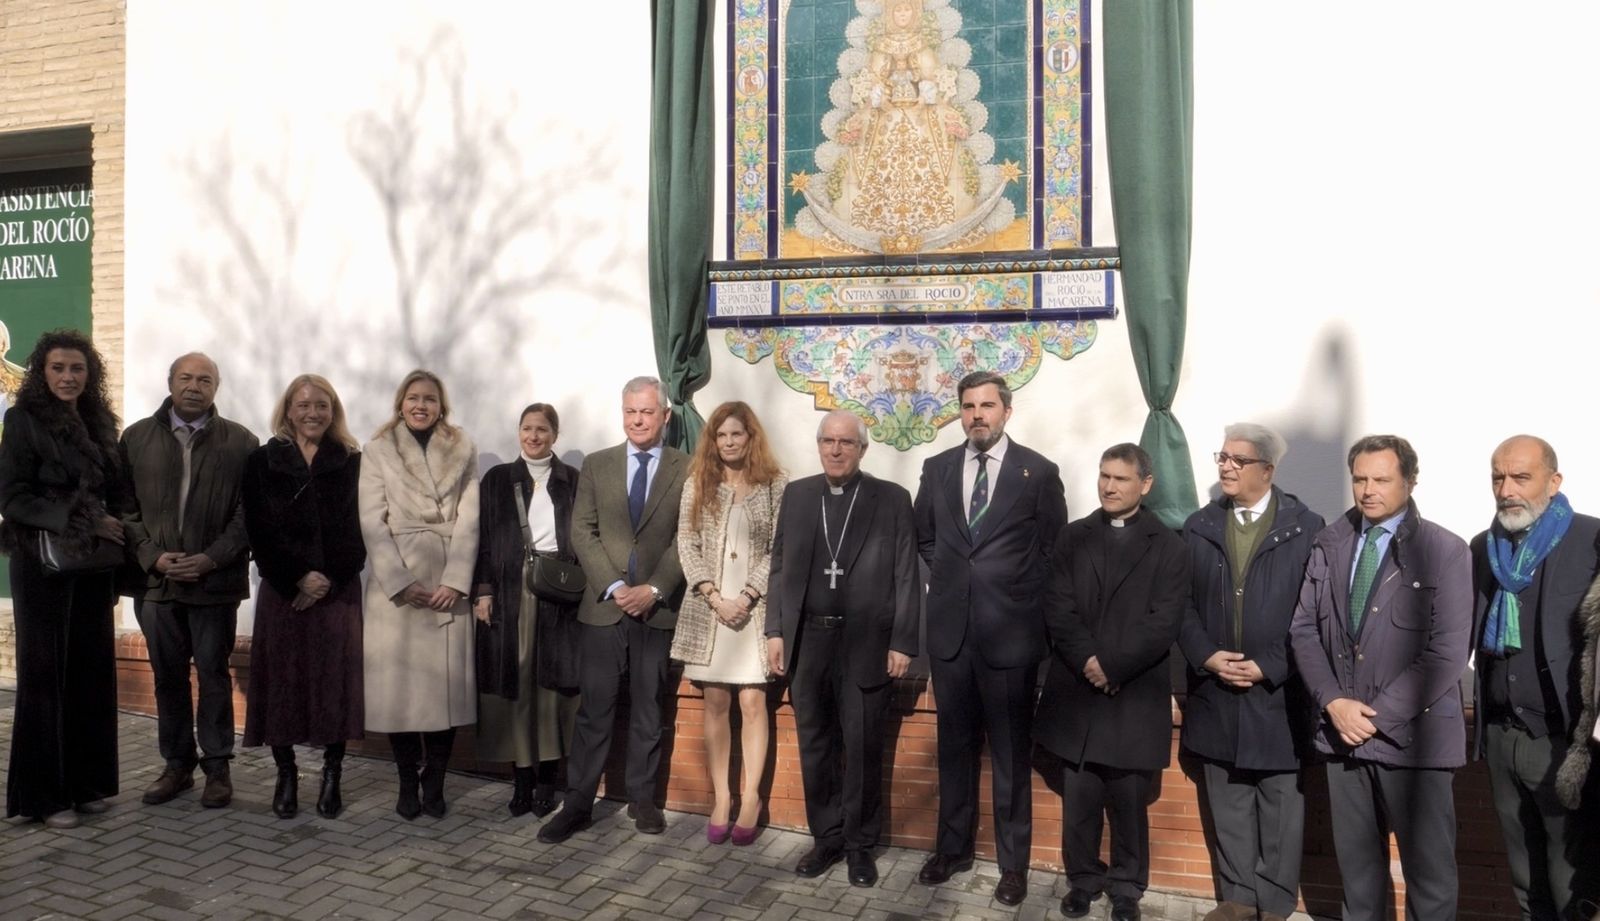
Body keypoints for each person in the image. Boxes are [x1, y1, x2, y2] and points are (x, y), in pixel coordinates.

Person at [1289, 434, 1473, 921]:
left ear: (1410, 481)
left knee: (1429, 879)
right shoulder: (1329, 543)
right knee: (1359, 876)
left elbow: (1449, 651)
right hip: (1342, 737)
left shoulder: (1445, 550)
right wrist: (1332, 702)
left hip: (1414, 741)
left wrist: (1376, 716)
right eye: (1360, 479)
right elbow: (1304, 630)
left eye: (1382, 479)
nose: (1368, 490)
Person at [913, 370, 1067, 906]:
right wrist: (959, 581)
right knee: (952, 751)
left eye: (987, 406)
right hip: (952, 638)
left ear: (1007, 411)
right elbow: (926, 537)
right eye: (968, 406)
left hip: (1011, 641)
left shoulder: (1038, 473)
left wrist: (1014, 596)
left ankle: (1012, 866)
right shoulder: (937, 468)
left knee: (1008, 759)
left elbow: (1053, 553)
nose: (977, 414)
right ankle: (950, 850)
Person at [765, 410, 919, 887]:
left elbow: (906, 573)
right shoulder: (798, 494)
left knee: (863, 746)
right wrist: (775, 631)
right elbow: (778, 565)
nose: (835, 449)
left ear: (862, 449)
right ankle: (826, 838)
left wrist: (902, 640)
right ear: (818, 445)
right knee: (815, 745)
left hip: (866, 643)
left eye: (846, 442)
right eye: (828, 441)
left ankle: (859, 846)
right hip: (808, 640)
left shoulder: (891, 498)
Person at [1036, 444, 1189, 921]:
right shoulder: (1073, 536)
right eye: (1104, 476)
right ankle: (1082, 879)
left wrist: (1114, 665)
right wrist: (1088, 660)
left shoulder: (1168, 545)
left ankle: (1126, 886)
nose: (1108, 486)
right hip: (1078, 690)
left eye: (1121, 479)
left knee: (1128, 800)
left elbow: (1164, 622)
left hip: (1132, 691)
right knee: (1078, 798)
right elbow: (1057, 605)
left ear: (1145, 484)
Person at [1177, 424, 1322, 921]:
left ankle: (1276, 904)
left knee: (1281, 806)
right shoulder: (1200, 525)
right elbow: (1182, 605)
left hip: (1278, 697)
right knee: (1229, 800)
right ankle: (1238, 899)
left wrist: (1271, 665)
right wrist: (1206, 656)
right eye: (1222, 457)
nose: (1226, 467)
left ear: (1268, 469)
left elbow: (1314, 611)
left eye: (1239, 460)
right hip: (1216, 692)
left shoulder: (1307, 527)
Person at [539, 376, 688, 844]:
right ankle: (579, 802)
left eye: (646, 412)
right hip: (604, 609)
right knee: (594, 712)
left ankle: (643, 800)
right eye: (630, 412)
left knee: (648, 709)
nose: (638, 420)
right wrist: (617, 585)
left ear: (665, 416)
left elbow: (690, 534)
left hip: (655, 611)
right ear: (622, 414)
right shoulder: (599, 465)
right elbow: (582, 530)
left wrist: (656, 588)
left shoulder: (688, 468)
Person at [120, 353, 258, 810]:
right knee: (167, 678)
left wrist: (210, 559)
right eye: (185, 378)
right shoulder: (137, 438)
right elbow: (124, 510)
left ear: (217, 387)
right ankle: (176, 765)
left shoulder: (241, 442)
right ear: (170, 382)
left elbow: (248, 516)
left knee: (214, 675)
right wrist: (152, 556)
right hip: (156, 585)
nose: (194, 386)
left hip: (212, 584)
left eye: (204, 379)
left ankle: (217, 768)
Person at [1470, 435, 1600, 920]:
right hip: (1503, 734)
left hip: (1564, 741)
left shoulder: (1592, 539)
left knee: (1573, 879)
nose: (1507, 489)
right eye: (1498, 477)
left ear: (1554, 481)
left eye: (1521, 477)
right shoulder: (1484, 547)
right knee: (1523, 876)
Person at [0, 329, 125, 828]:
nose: (69, 377)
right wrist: (83, 519)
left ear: (89, 374)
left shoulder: (100, 422)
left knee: (91, 674)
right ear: (41, 372)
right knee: (45, 679)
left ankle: (86, 784)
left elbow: (117, 489)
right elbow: (11, 498)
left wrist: (118, 522)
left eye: (77, 368)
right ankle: (44, 798)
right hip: (41, 566)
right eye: (58, 368)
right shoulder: (22, 420)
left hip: (92, 567)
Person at [241, 375, 366, 819]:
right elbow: (258, 528)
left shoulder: (353, 462)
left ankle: (332, 774)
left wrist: (327, 578)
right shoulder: (262, 461)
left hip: (338, 591)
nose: (313, 413)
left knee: (335, 682)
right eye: (304, 404)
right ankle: (286, 772)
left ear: (334, 411)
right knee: (282, 684)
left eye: (323, 405)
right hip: (283, 590)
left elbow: (362, 527)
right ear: (288, 410)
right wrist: (297, 577)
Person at [360, 369, 480, 819]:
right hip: (398, 588)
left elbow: (471, 517)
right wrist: (398, 580)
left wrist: (455, 580)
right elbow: (371, 520)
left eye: (429, 398)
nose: (420, 406)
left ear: (441, 404)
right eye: (413, 398)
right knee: (402, 693)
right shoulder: (377, 450)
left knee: (443, 693)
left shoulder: (463, 447)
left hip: (448, 578)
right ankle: (407, 780)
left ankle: (437, 782)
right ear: (400, 402)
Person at [671, 401, 787, 844]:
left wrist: (748, 595)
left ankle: (752, 797)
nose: (729, 442)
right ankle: (721, 797)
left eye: (737, 434)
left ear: (750, 437)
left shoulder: (776, 485)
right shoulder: (698, 482)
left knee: (753, 704)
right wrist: (713, 595)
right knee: (715, 703)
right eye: (721, 436)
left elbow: (781, 546)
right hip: (711, 609)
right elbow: (687, 540)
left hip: (754, 611)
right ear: (713, 441)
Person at [472, 403, 582, 818]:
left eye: (542, 429)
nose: (534, 436)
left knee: (552, 689)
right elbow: (481, 539)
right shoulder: (498, 480)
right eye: (527, 428)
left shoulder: (572, 481)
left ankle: (548, 780)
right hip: (508, 591)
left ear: (556, 435)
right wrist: (482, 590)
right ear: (519, 432)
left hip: (558, 592)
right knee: (516, 684)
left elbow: (585, 537)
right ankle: (520, 780)